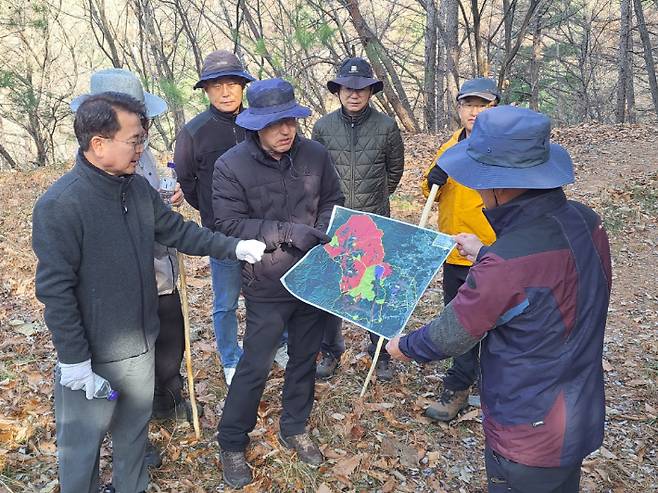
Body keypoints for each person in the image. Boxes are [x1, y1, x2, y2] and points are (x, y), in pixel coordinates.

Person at [32, 91, 266, 493]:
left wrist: (234, 247)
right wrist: (74, 360)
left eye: (143, 138)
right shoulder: (61, 204)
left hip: (140, 347)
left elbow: (178, 231)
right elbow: (55, 290)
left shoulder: (136, 191)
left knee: (133, 441)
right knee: (81, 451)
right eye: (135, 140)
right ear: (99, 144)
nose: (142, 148)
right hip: (90, 353)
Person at [387, 106, 612, 493]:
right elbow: (552, 276)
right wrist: (487, 252)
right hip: (579, 408)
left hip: (529, 427)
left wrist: (401, 347)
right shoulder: (586, 220)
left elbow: (451, 335)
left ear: (498, 185)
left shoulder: (508, 263)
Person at [212, 78, 344, 489]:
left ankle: (295, 427)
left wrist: (320, 232)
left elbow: (332, 201)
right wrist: (287, 232)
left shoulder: (315, 154)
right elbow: (228, 224)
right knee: (256, 364)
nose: (286, 130)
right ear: (254, 125)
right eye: (275, 123)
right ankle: (232, 441)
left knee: (304, 357)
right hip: (267, 280)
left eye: (290, 120)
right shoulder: (231, 165)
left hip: (314, 274)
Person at [70, 68, 188, 471]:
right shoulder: (87, 175)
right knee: (123, 367)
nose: (141, 134)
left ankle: (164, 401)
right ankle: (127, 436)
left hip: (160, 266)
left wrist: (170, 197)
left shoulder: (145, 154)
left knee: (169, 344)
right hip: (120, 289)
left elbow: (157, 208)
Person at [175, 50, 277, 386]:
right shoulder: (194, 132)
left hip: (264, 228)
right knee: (225, 302)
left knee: (269, 292)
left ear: (243, 86)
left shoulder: (260, 122)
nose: (225, 91)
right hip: (222, 236)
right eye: (216, 85)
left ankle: (279, 344)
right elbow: (188, 181)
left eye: (232, 83)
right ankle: (231, 359)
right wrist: (212, 212)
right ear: (205, 90)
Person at [311, 57, 404, 381]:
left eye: (361, 89)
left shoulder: (387, 127)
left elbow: (394, 173)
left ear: (370, 91)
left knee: (375, 287)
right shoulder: (322, 128)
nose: (354, 94)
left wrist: (373, 201)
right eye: (348, 89)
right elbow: (315, 172)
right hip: (334, 221)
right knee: (331, 287)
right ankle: (330, 351)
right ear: (339, 90)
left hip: (374, 222)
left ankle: (380, 352)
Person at [419, 77, 499, 421]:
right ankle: (459, 385)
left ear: (496, 107)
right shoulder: (450, 146)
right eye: (468, 105)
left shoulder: (504, 147)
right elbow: (430, 194)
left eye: (482, 105)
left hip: (495, 252)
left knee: (499, 322)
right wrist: (433, 177)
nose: (474, 112)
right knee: (460, 321)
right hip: (454, 253)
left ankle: (494, 383)